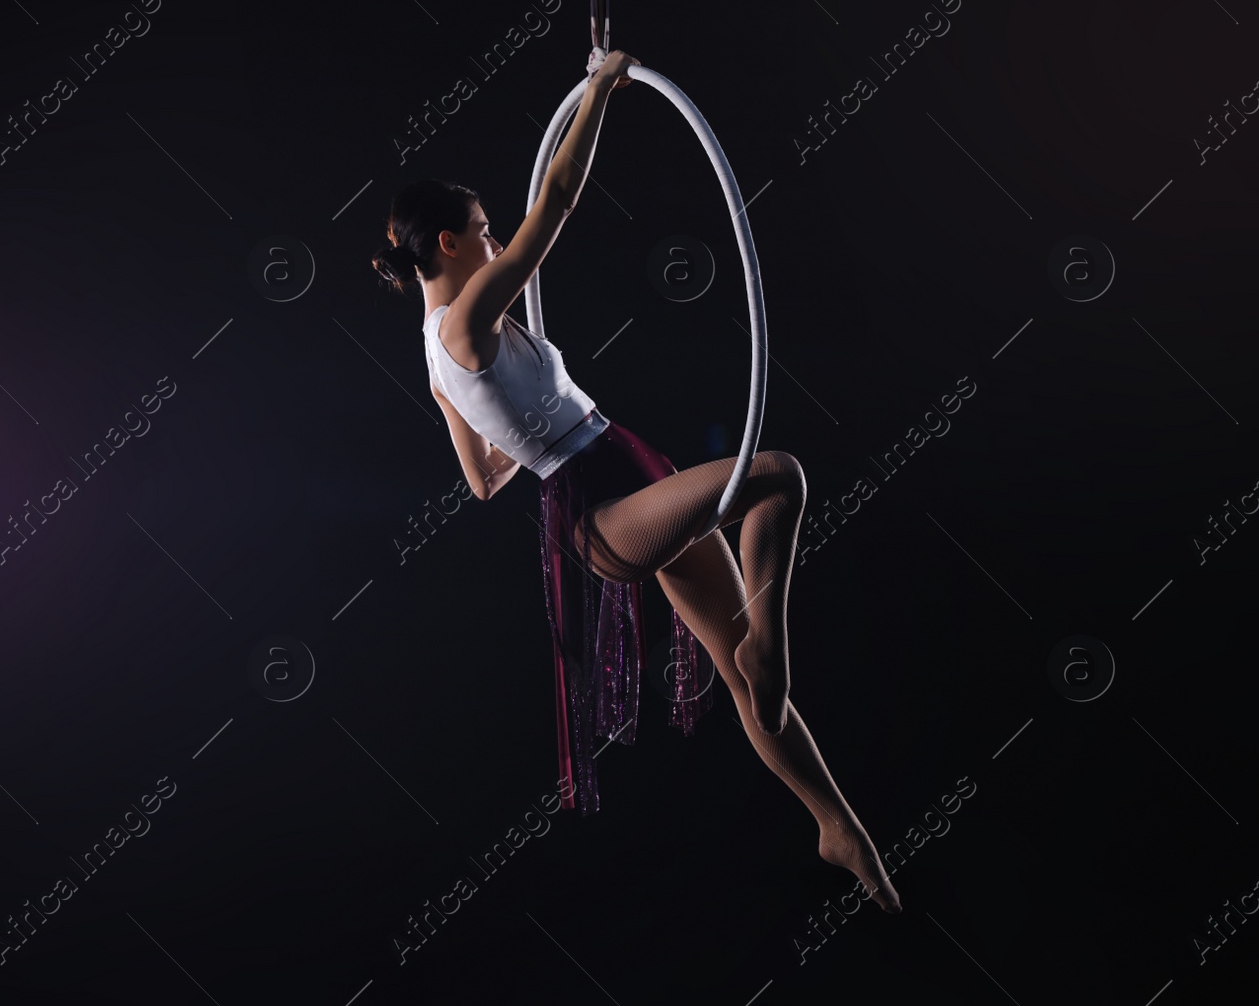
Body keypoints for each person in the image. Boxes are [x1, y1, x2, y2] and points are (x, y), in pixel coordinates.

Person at [369, 50, 901, 913]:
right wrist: (603, 87)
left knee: (744, 686)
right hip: (605, 508)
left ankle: (836, 827)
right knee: (777, 476)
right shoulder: (464, 320)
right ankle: (771, 643)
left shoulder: (442, 357)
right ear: (449, 243)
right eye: (487, 228)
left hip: (617, 466)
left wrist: (520, 431)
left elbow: (480, 482)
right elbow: (559, 205)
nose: (498, 239)